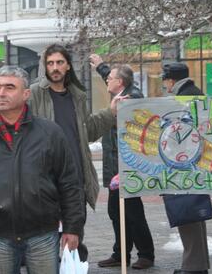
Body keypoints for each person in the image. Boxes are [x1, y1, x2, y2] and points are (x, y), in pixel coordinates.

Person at [0, 66, 85, 274]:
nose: (1, 93)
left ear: (26, 94)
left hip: (43, 233)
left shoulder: (50, 133)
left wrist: (73, 227)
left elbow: (69, 182)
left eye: (10, 87)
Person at [28, 44, 117, 261]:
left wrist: (111, 112)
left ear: (68, 66)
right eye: (50, 63)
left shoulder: (77, 96)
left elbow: (89, 130)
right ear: (45, 67)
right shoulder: (34, 94)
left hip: (75, 174)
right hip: (45, 177)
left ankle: (75, 264)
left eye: (59, 62)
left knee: (75, 233)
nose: (55, 67)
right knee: (46, 237)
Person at [90, 55, 155, 269]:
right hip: (115, 167)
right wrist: (101, 67)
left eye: (110, 78)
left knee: (132, 212)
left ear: (121, 83)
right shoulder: (122, 94)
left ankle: (146, 254)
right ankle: (121, 253)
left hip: (127, 168)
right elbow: (113, 77)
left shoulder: (131, 98)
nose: (107, 80)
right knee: (116, 212)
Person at [162, 62, 211, 274]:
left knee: (188, 217)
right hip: (192, 164)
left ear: (171, 80)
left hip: (185, 165)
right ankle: (197, 265)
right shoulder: (194, 92)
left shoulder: (183, 98)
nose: (165, 84)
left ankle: (193, 267)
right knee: (194, 217)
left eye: (165, 80)